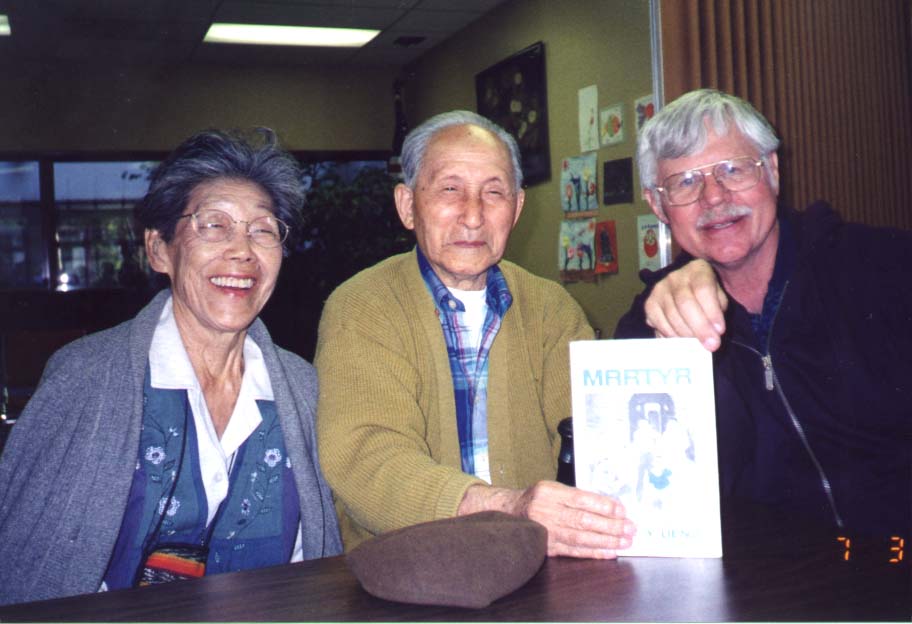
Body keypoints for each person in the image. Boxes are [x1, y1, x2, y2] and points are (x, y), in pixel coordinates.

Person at [0, 129, 342, 606]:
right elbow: (22, 563)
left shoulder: (303, 388)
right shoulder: (84, 377)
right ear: (160, 249)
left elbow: (316, 560)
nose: (242, 250)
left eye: (262, 229)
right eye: (214, 225)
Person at [316, 110, 636, 558]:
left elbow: (600, 439)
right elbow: (368, 459)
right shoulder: (364, 307)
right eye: (450, 189)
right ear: (408, 205)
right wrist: (508, 507)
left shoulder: (552, 309)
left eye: (493, 192)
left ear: (518, 208)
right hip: (406, 572)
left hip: (535, 567)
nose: (473, 216)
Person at [615, 89, 911, 535]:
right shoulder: (649, 323)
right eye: (685, 182)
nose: (713, 197)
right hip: (767, 589)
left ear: (771, 172)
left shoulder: (885, 267)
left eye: (733, 169)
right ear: (658, 206)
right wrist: (666, 345)